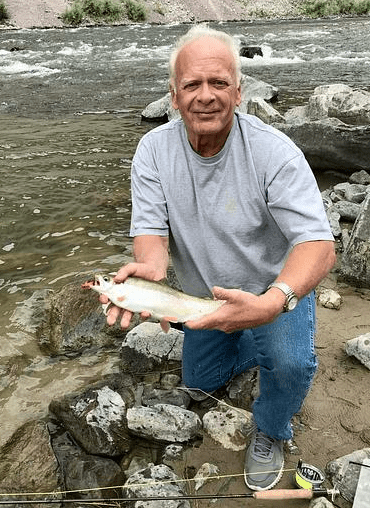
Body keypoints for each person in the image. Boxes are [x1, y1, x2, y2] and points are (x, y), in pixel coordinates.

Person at [100, 24, 336, 491]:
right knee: (202, 382)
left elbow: (319, 245)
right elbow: (151, 236)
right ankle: (251, 344)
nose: (205, 96)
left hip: (274, 289)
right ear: (173, 95)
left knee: (289, 365)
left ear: (239, 91)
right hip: (200, 298)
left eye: (218, 83)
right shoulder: (152, 151)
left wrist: (274, 302)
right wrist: (150, 273)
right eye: (192, 84)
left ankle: (271, 428)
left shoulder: (274, 153)